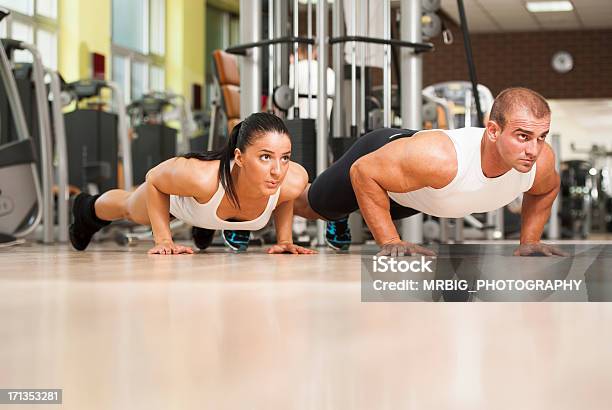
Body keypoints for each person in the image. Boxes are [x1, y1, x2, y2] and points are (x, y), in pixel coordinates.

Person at [293, 87, 567, 257]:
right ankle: (258, 205)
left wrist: (530, 240)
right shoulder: (440, 159)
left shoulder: (540, 160)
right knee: (311, 205)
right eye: (523, 136)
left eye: (541, 136)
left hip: (414, 192)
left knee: (374, 206)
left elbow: (546, 190)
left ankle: (340, 215)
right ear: (493, 131)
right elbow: (363, 171)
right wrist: (389, 240)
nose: (533, 148)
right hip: (379, 160)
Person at [69, 112, 315, 256]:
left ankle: (204, 226)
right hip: (179, 200)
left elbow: (284, 199)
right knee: (130, 209)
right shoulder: (200, 177)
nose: (277, 170)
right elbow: (154, 179)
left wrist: (284, 241)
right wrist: (164, 240)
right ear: (239, 157)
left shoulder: (292, 180)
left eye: (285, 158)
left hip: (211, 207)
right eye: (265, 157)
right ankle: (86, 210)